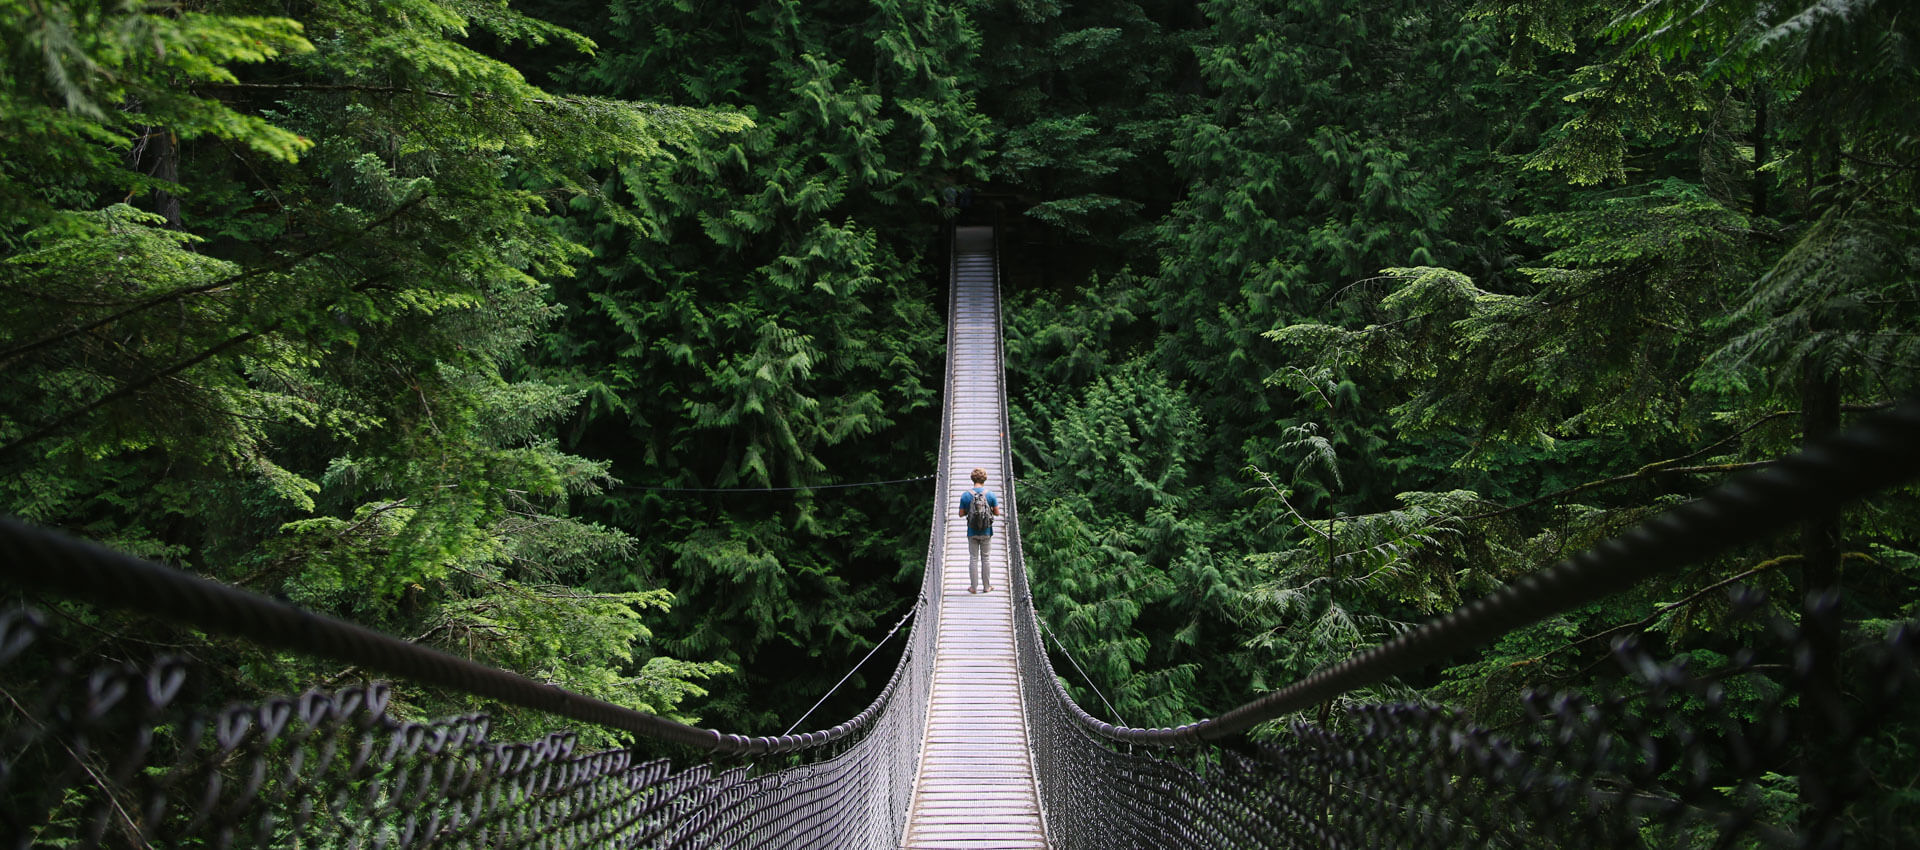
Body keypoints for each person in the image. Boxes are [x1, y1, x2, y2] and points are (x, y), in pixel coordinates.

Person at [958, 468, 1000, 593]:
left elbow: (960, 514)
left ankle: (973, 587)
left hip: (972, 532)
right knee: (986, 558)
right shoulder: (990, 494)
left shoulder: (966, 495)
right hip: (987, 531)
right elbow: (997, 513)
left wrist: (969, 510)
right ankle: (987, 587)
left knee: (973, 558)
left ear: (972, 479)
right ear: (984, 479)